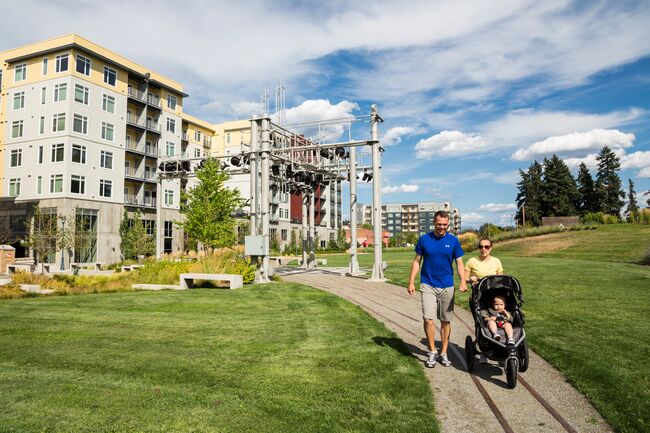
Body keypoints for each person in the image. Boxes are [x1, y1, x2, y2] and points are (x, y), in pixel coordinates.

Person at [408, 211, 467, 368]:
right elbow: (416, 262)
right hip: (428, 284)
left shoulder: (453, 241)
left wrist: (463, 281)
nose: (441, 227)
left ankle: (444, 352)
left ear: (448, 224)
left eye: (444, 224)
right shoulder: (424, 239)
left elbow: (459, 263)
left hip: (447, 285)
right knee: (428, 318)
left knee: (445, 321)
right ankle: (432, 351)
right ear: (434, 223)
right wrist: (411, 282)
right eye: (439, 224)